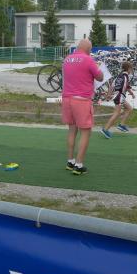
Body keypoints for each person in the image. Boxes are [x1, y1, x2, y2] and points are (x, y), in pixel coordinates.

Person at [61, 39, 103, 175]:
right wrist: (98, 68)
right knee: (85, 132)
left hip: (67, 99)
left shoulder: (67, 59)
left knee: (72, 130)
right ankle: (79, 165)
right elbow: (100, 77)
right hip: (82, 100)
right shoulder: (88, 60)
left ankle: (70, 161)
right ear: (89, 49)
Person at [100, 61, 135, 138]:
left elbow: (112, 86)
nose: (131, 70)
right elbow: (127, 86)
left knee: (129, 108)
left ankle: (121, 125)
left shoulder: (119, 76)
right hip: (120, 96)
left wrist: (109, 95)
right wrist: (132, 93)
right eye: (131, 69)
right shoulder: (126, 76)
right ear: (128, 69)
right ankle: (105, 129)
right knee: (117, 113)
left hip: (118, 96)